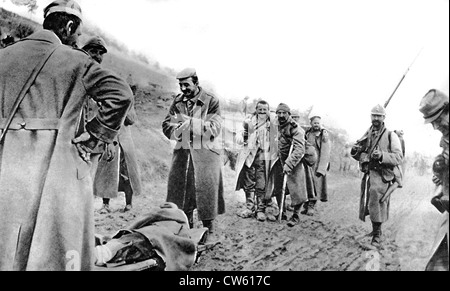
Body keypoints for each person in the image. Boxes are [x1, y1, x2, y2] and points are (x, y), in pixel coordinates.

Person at [0, 0, 132, 271]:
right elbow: (121, 95)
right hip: (55, 160)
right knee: (54, 235)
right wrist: (96, 134)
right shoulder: (77, 61)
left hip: (7, 159)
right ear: (70, 26)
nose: (77, 39)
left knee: (8, 226)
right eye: (78, 33)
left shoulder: (5, 56)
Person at [162, 68, 225, 242]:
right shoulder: (178, 102)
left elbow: (215, 128)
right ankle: (186, 226)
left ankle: (209, 229)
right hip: (183, 153)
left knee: (207, 192)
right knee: (183, 190)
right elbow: (166, 125)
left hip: (206, 153)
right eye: (180, 85)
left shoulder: (211, 101)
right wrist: (178, 130)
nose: (183, 88)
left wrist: (190, 123)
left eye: (186, 84)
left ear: (196, 82)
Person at [81, 37, 142, 213]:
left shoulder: (124, 98)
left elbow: (131, 119)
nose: (98, 55)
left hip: (123, 135)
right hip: (106, 132)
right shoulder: (93, 79)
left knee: (126, 169)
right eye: (94, 51)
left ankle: (128, 203)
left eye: (101, 53)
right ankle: (106, 204)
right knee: (106, 169)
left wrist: (126, 108)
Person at [351, 104, 403, 247]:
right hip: (369, 173)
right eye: (374, 115)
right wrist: (355, 150)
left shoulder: (391, 135)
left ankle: (377, 234)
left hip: (382, 175)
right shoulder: (367, 133)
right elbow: (358, 152)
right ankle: (375, 231)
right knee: (370, 203)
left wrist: (382, 155)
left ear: (384, 117)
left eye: (379, 116)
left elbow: (399, 157)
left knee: (376, 202)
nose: (376, 118)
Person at [419, 89, 449, 271]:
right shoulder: (445, 138)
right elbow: (443, 159)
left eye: (438, 121)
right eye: (433, 123)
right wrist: (439, 167)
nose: (436, 127)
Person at [234, 100, 277, 221]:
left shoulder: (272, 123)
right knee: (248, 184)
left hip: (264, 158)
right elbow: (239, 135)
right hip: (249, 157)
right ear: (256, 110)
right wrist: (243, 136)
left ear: (268, 110)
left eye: (265, 109)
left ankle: (260, 210)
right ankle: (249, 207)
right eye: (260, 109)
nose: (262, 112)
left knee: (261, 184)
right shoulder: (248, 121)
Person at [267, 103, 308, 227]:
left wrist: (289, 164)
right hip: (278, 160)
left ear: (288, 114)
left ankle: (296, 215)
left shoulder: (296, 128)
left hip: (294, 162)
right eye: (278, 113)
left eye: (283, 113)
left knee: (297, 189)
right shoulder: (275, 125)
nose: (281, 115)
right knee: (279, 187)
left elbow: (299, 149)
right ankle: (282, 212)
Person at [303, 115, 331, 216]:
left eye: (318, 123)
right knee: (306, 184)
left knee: (315, 185)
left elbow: (326, 152)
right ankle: (306, 204)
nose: (316, 125)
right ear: (311, 124)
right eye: (314, 123)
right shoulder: (307, 133)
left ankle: (311, 205)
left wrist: (322, 167)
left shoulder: (323, 135)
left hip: (318, 163)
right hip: (307, 162)